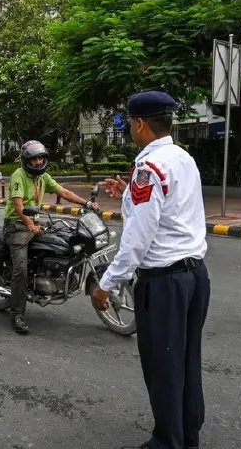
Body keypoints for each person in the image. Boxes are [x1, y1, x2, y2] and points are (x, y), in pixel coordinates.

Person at [92, 91, 210, 449]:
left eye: (129, 122)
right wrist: (129, 192)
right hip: (194, 277)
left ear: (140, 123)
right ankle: (188, 432)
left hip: (164, 282)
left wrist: (106, 284)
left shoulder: (149, 167)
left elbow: (137, 240)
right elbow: (171, 209)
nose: (130, 128)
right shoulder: (182, 158)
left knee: (162, 364)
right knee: (186, 358)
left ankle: (167, 441)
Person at [3, 140, 100, 334]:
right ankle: (17, 314)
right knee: (20, 269)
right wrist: (30, 225)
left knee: (64, 241)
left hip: (35, 223)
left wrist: (87, 204)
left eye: (41, 158)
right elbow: (18, 206)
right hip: (17, 227)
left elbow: (63, 192)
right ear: (26, 160)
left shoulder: (43, 177)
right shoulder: (18, 176)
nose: (38, 162)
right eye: (34, 159)